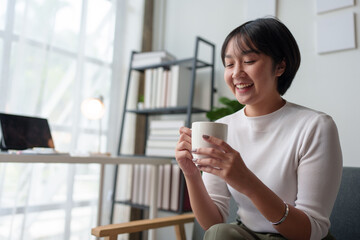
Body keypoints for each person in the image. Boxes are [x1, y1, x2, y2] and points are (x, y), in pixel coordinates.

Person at [175, 17, 342, 240]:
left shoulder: (315, 127)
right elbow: (212, 223)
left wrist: (248, 182)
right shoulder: (223, 128)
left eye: (249, 61)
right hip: (245, 234)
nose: (236, 73)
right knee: (219, 234)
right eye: (229, 64)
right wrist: (192, 175)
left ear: (280, 66)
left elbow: (310, 230)